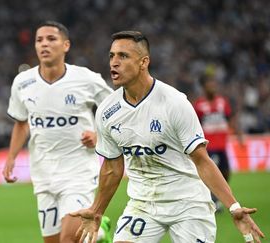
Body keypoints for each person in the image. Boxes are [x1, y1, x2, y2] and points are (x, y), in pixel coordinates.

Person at [71, 31, 265, 243]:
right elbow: (112, 167)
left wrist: (234, 207)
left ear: (143, 62)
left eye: (123, 56)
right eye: (111, 56)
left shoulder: (174, 102)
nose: (114, 63)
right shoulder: (108, 110)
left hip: (188, 202)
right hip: (143, 203)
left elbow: (202, 160)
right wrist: (97, 210)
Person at [2, 21, 113, 243]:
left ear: (66, 45)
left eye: (51, 39)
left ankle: (95, 232)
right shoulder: (23, 83)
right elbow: (22, 122)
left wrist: (98, 136)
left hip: (78, 172)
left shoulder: (86, 79)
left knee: (68, 239)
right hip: (43, 172)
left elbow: (115, 112)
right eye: (39, 40)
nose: (44, 44)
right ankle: (99, 234)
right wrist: (11, 157)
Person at [193, 73, 244, 212]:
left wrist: (239, 134)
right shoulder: (199, 104)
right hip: (209, 146)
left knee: (226, 172)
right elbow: (194, 123)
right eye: (210, 85)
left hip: (222, 145)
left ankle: (214, 197)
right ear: (204, 87)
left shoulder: (222, 102)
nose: (213, 87)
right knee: (211, 173)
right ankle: (210, 199)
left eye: (214, 84)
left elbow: (230, 118)